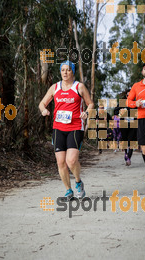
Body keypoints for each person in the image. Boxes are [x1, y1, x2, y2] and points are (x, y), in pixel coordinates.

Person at [39, 60, 94, 199]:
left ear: (72, 72)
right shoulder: (55, 87)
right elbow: (42, 103)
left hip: (75, 127)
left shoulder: (79, 87)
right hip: (58, 128)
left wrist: (86, 113)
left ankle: (78, 182)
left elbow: (91, 104)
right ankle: (68, 190)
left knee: (71, 160)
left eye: (68, 70)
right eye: (63, 70)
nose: (65, 72)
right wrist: (44, 110)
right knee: (60, 162)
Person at [114, 90, 137, 166]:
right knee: (125, 141)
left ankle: (128, 157)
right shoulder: (122, 103)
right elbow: (115, 111)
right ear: (126, 96)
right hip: (124, 125)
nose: (129, 97)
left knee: (132, 141)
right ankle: (126, 153)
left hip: (133, 125)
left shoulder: (136, 103)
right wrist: (121, 111)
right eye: (128, 95)